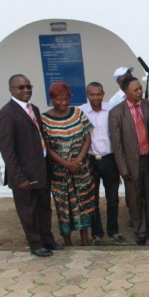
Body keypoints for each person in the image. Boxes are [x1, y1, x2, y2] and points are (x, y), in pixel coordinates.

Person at [0, 75, 62, 257]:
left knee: (44, 209)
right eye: (21, 87)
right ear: (11, 90)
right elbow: (7, 151)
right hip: (24, 176)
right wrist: (19, 178)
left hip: (41, 171)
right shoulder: (5, 114)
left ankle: (47, 240)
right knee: (28, 212)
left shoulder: (34, 109)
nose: (26, 90)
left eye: (28, 86)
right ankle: (36, 244)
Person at [109, 76, 149, 246]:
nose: (140, 91)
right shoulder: (117, 112)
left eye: (140, 88)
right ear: (125, 91)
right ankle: (140, 231)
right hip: (131, 162)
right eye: (135, 89)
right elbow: (116, 145)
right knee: (134, 198)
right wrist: (122, 168)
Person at [41, 82, 95, 246]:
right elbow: (47, 148)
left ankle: (85, 240)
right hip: (60, 174)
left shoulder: (78, 113)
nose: (63, 103)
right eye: (59, 99)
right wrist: (66, 163)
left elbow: (87, 138)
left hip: (81, 170)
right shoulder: (44, 119)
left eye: (66, 99)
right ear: (51, 99)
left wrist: (78, 160)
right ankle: (68, 241)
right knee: (64, 208)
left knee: (84, 205)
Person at [79, 82, 126, 246]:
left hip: (110, 160)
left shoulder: (111, 109)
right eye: (92, 94)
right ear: (87, 94)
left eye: (98, 94)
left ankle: (113, 232)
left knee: (113, 199)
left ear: (103, 93)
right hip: (90, 161)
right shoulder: (81, 112)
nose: (96, 97)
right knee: (92, 200)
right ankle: (97, 234)